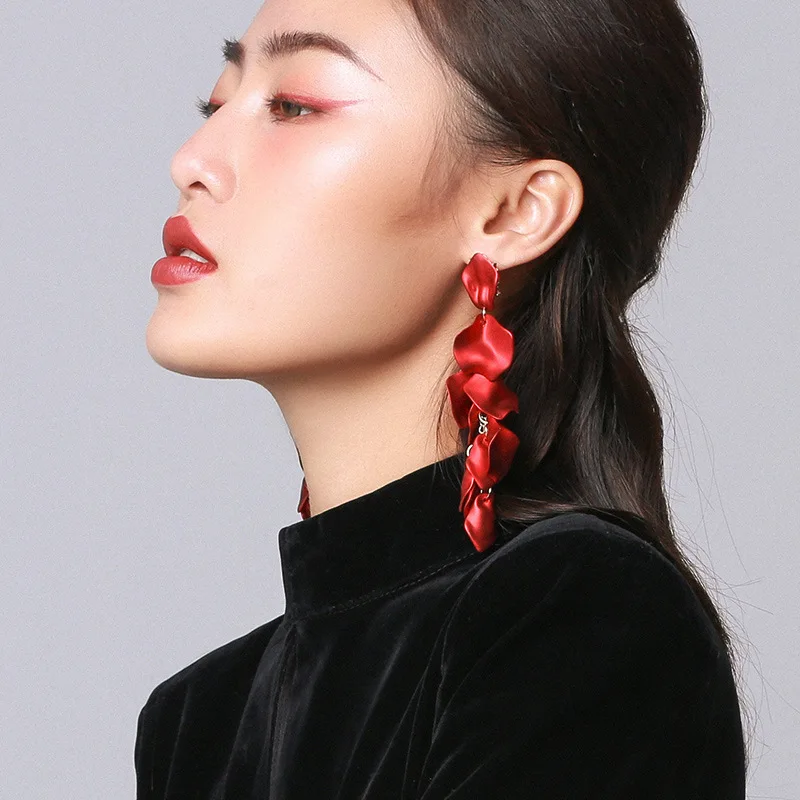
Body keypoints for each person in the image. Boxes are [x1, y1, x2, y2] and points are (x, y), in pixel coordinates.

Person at [137, 0, 749, 797]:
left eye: (294, 105)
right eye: (215, 104)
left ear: (515, 212)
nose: (192, 160)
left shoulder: (580, 614)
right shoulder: (196, 720)